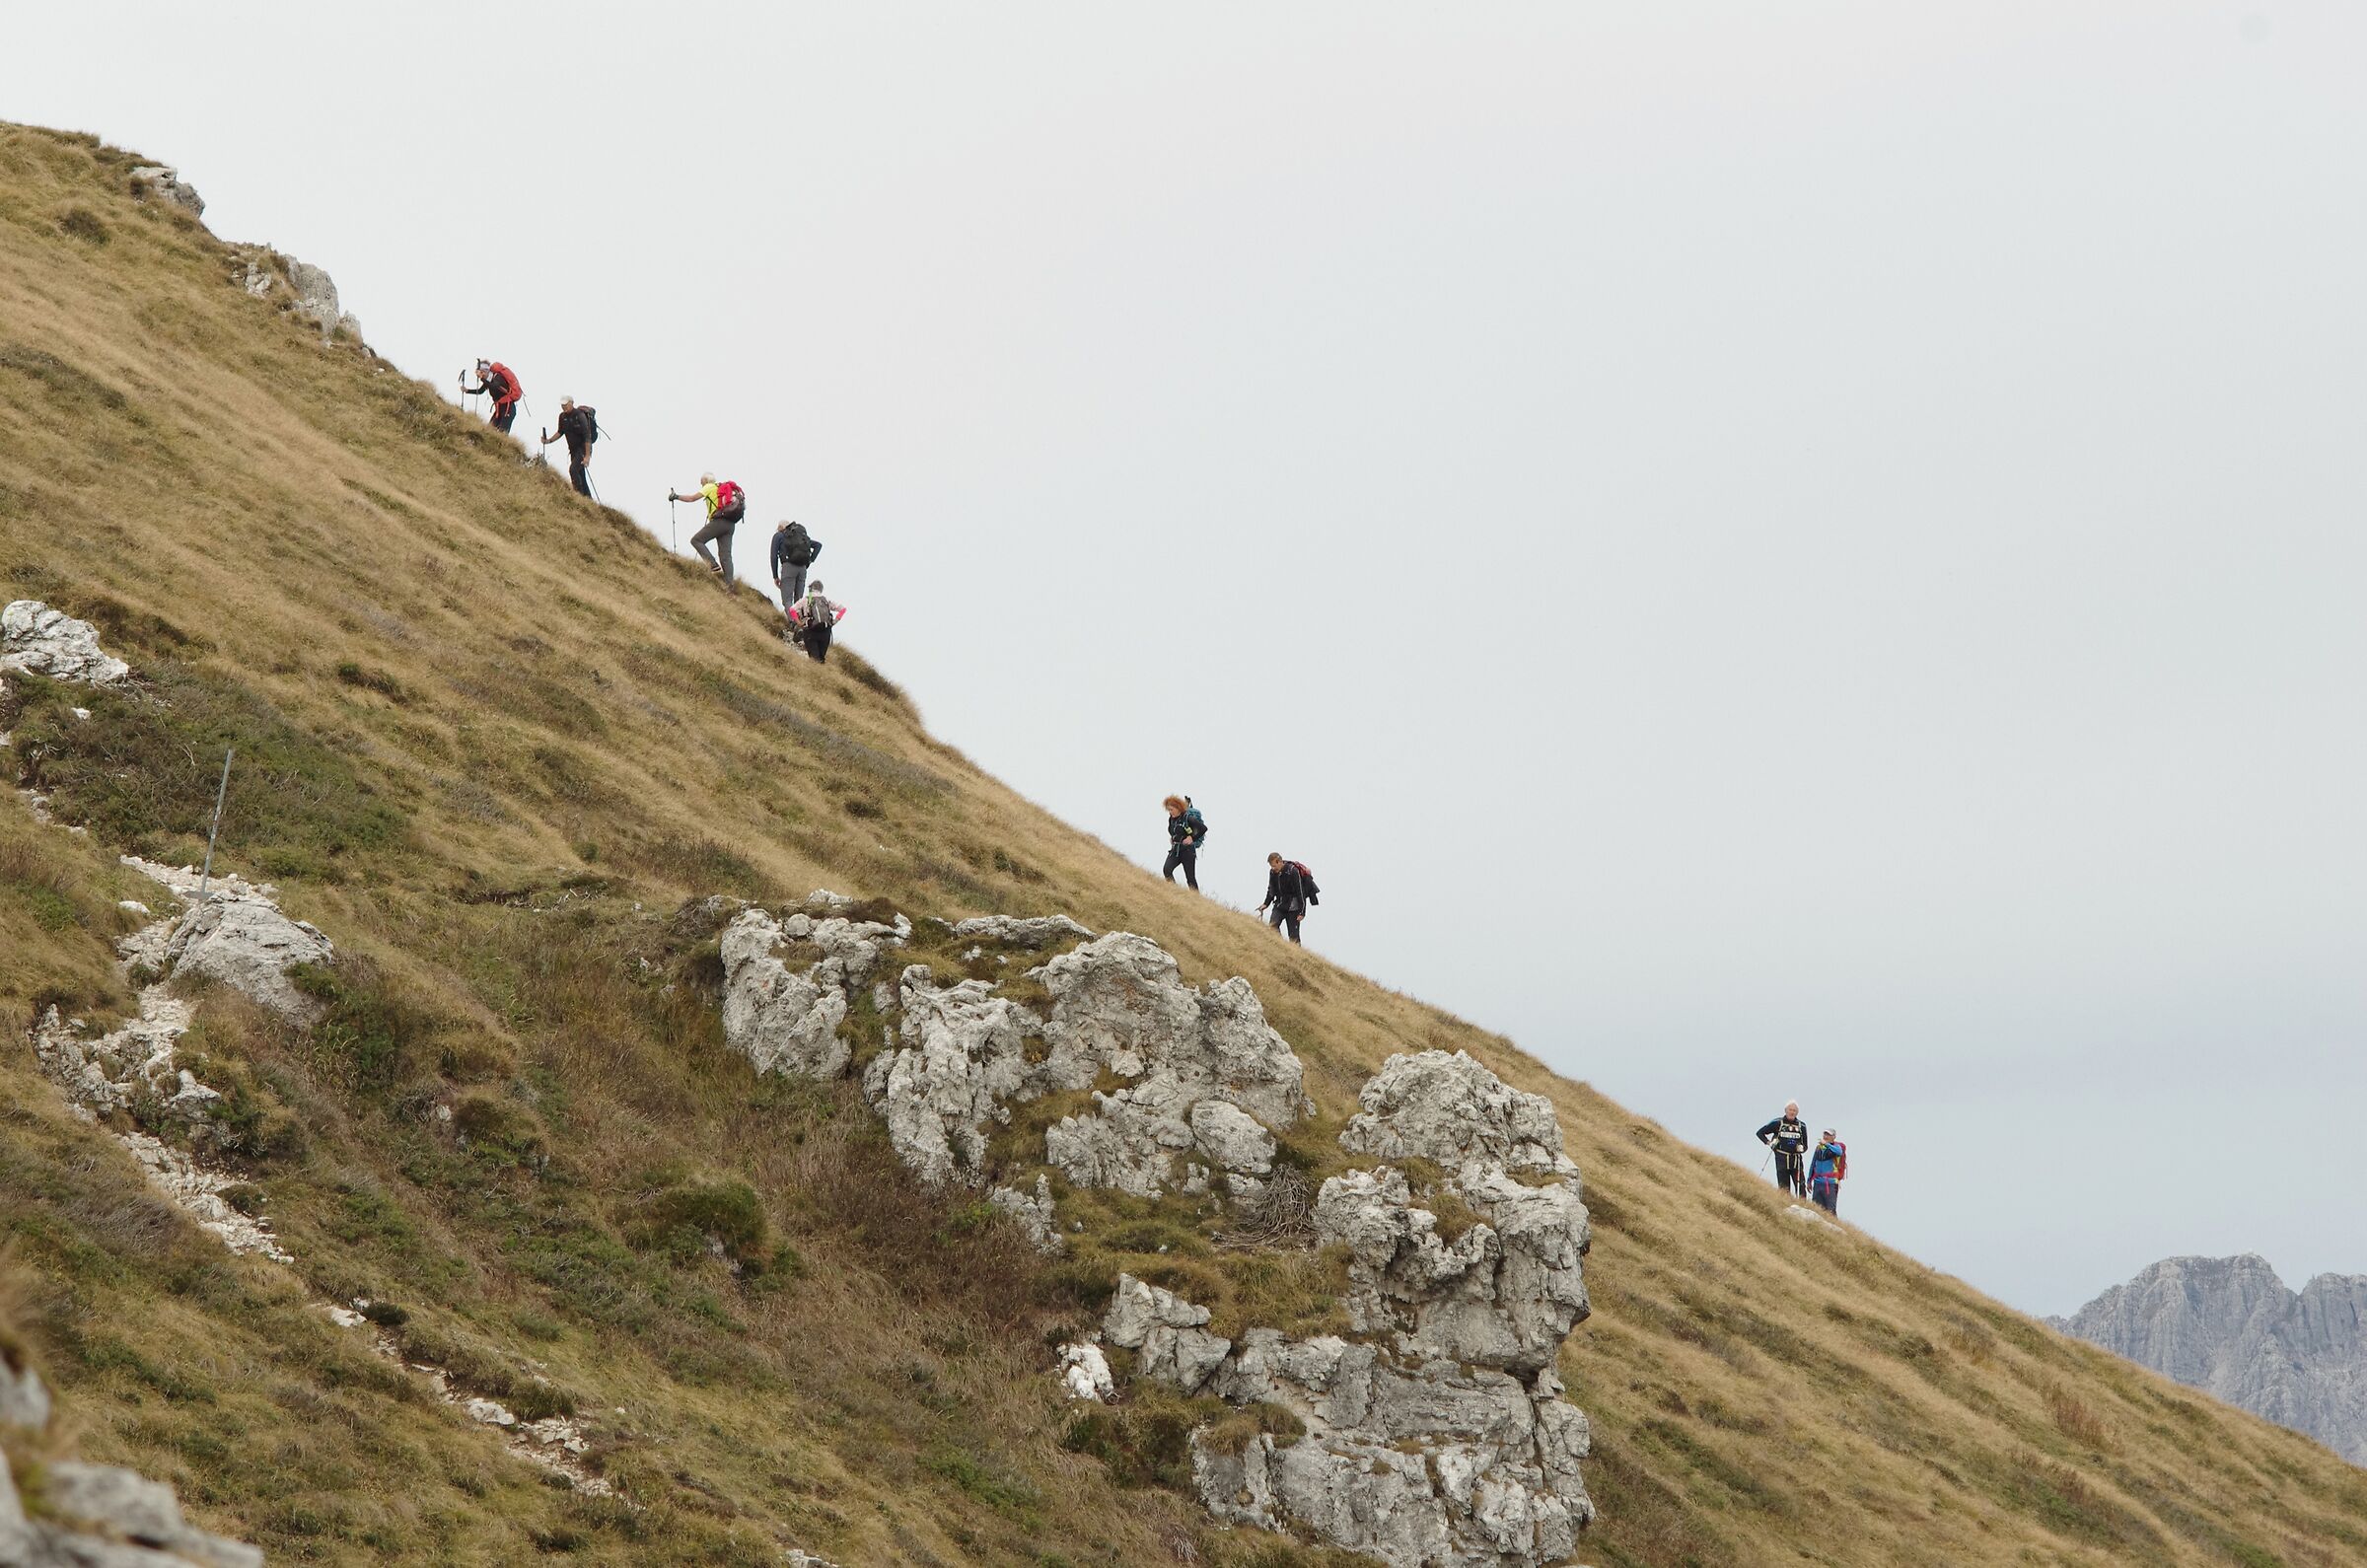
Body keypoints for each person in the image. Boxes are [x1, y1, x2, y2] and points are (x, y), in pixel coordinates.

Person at [669, 473, 746, 583]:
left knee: (696, 540)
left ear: (705, 480)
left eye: (701, 482)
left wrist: (676, 497)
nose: (701, 484)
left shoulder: (709, 487)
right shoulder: (719, 488)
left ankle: (713, 565)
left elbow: (692, 498)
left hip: (719, 522)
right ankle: (730, 586)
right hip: (730, 524)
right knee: (726, 556)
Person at [769, 520, 823, 631]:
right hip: (802, 568)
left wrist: (775, 576)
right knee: (798, 599)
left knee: (787, 599)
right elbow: (818, 545)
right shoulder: (800, 537)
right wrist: (810, 560)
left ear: (780, 527)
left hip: (788, 567)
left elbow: (773, 556)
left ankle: (795, 624)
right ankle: (803, 625)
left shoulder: (779, 536)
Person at [539, 396, 596, 497]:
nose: (564, 406)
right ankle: (587, 499)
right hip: (573, 450)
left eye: (566, 404)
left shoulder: (580, 416)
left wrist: (587, 456)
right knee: (581, 474)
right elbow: (560, 432)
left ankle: (578, 495)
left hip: (583, 449)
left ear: (572, 403)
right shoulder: (562, 417)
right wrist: (548, 441)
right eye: (562, 405)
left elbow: (587, 437)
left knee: (573, 470)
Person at [1256, 852, 1319, 944]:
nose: (1273, 868)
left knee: (1294, 937)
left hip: (1294, 908)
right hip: (1279, 905)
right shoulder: (1273, 872)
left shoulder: (1293, 871)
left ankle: (1296, 956)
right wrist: (1266, 903)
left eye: (1274, 866)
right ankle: (1280, 946)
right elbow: (1271, 889)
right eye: (1271, 866)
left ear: (1279, 862)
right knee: (1273, 926)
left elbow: (1300, 892)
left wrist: (1302, 912)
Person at [1757, 1102, 1809, 1199]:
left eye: (1794, 1110)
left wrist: (1802, 1148)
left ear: (1797, 1112)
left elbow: (1805, 1144)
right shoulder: (1777, 1122)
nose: (1792, 1112)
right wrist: (1769, 1143)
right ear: (1785, 1111)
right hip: (1782, 1158)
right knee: (1783, 1185)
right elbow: (1760, 1133)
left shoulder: (1802, 1126)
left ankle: (1803, 1205)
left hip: (1796, 1159)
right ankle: (1785, 1204)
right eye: (1790, 1110)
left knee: (1800, 1185)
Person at [787, 581, 845, 664]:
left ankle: (814, 673)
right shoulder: (826, 600)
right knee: (821, 659)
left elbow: (792, 610)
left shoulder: (805, 599)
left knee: (814, 659)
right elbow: (843, 609)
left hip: (810, 631)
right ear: (821, 589)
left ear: (811, 588)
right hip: (825, 631)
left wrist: (799, 623)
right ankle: (821, 673)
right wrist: (834, 621)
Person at [460, 358, 522, 433]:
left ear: (486, 371)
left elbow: (495, 386)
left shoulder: (497, 377)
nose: (481, 375)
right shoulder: (488, 380)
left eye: (482, 372)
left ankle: (504, 444)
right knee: (489, 431)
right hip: (499, 409)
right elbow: (480, 391)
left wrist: (482, 379)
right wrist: (467, 390)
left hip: (508, 409)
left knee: (502, 433)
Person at [1162, 795, 1208, 891]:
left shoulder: (1188, 818)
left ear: (1178, 808)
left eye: (1171, 809)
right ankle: (1174, 892)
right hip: (1176, 850)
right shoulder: (1172, 819)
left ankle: (1196, 901)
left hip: (1188, 852)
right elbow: (1173, 831)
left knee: (1190, 879)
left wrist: (1192, 838)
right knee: (1167, 870)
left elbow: (1203, 829)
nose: (1170, 812)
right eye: (1168, 810)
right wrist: (1172, 838)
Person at [1808, 1129, 1848, 1216]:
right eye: (1825, 1134)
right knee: (1816, 1209)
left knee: (1830, 1210)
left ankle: (1834, 1228)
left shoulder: (1836, 1147)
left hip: (1830, 1183)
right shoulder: (1819, 1148)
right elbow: (1813, 1164)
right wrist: (1809, 1181)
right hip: (1818, 1182)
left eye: (1828, 1135)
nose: (1826, 1136)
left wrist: (1826, 1144)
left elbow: (1839, 1152)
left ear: (1833, 1137)